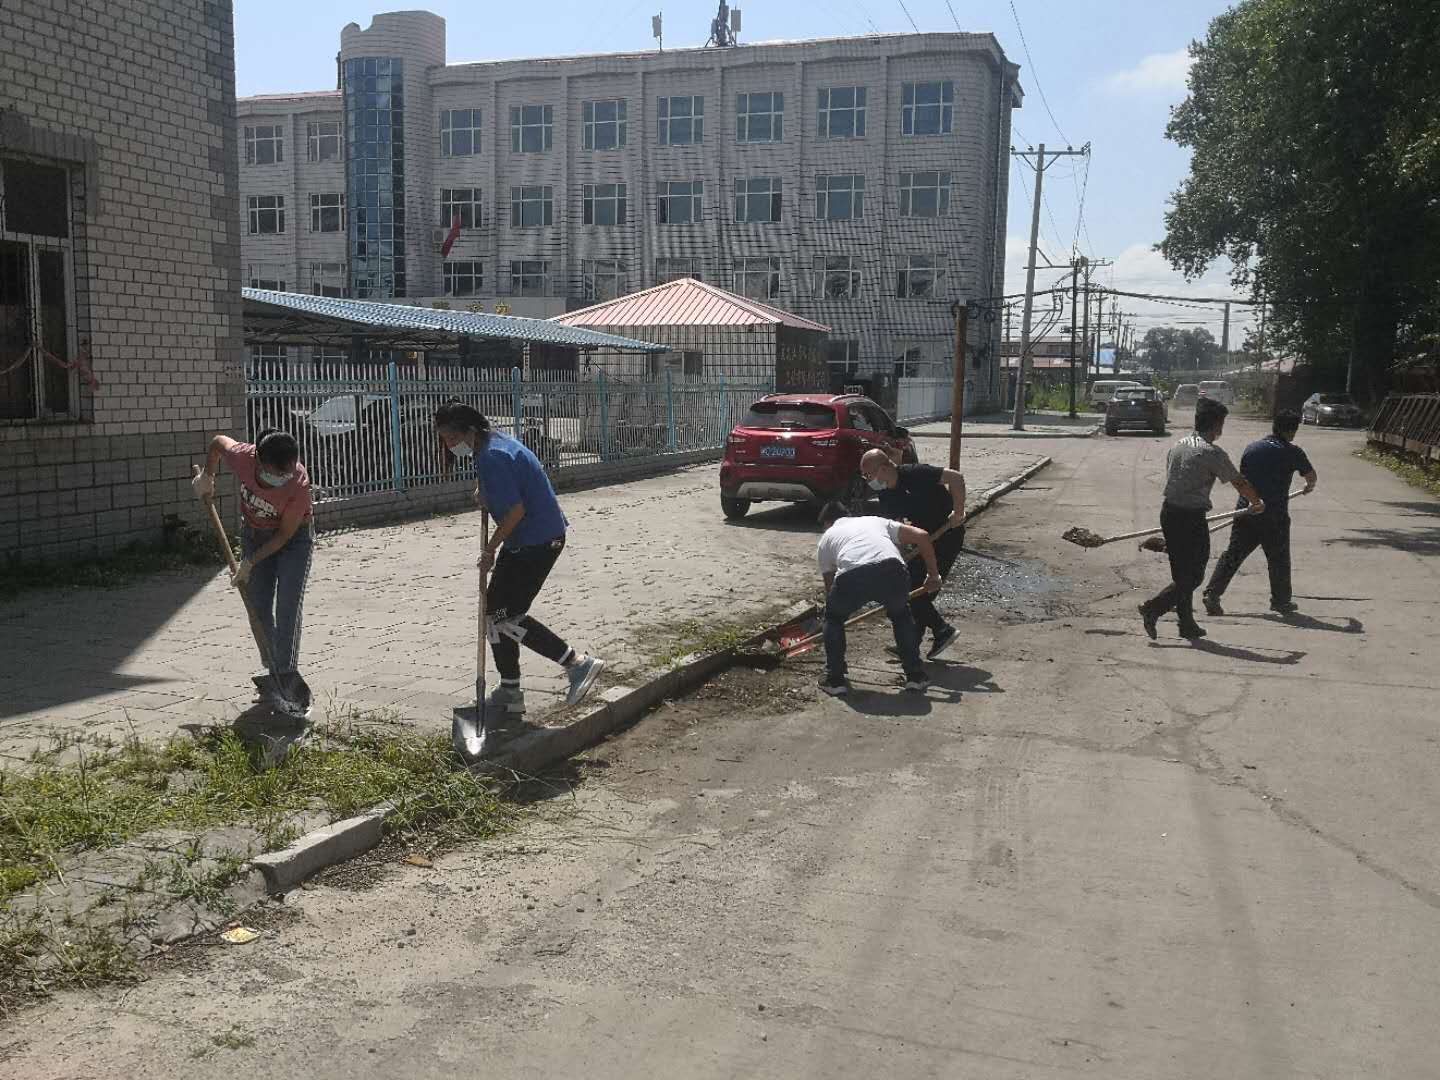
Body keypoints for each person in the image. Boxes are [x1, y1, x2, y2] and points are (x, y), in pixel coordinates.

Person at [434, 401, 604, 720]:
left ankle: (577, 664)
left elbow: (515, 511)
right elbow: (509, 484)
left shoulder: (492, 456)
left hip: (536, 541)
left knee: (506, 615)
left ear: (466, 430)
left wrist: (489, 550)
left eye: (450, 437)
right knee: (494, 614)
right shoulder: (491, 442)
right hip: (529, 539)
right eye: (444, 438)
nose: (448, 444)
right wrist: (483, 491)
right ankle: (510, 691)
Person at [191, 428, 314, 713]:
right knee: (258, 608)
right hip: (255, 535)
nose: (284, 477)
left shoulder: (299, 484)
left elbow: (283, 537)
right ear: (258, 460)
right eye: (277, 473)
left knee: (288, 605)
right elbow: (218, 443)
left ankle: (285, 673)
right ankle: (271, 670)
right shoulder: (243, 457)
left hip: (294, 541)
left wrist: (249, 562)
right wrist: (208, 476)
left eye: (288, 471)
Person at [1139, 397, 1265, 640]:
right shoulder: (1211, 452)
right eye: (1222, 423)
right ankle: (1153, 608)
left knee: (1181, 575)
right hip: (1191, 518)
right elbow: (1239, 483)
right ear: (1216, 424)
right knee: (1194, 576)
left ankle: (1186, 623)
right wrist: (1256, 502)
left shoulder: (1178, 445)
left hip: (1169, 513)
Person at [815, 501, 942, 696]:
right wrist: (933, 575)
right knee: (901, 615)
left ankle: (835, 679)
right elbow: (922, 536)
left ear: (827, 523)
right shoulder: (875, 521)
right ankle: (915, 676)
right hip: (893, 569)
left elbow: (830, 587)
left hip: (852, 575)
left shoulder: (827, 538)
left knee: (833, 618)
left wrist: (836, 613)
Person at [1203, 408, 1318, 616]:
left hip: (1247, 510)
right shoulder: (1293, 452)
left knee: (1234, 554)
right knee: (1278, 559)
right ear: (1292, 431)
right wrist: (1308, 487)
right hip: (1274, 515)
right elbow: (1311, 477)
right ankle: (1281, 601)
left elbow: (1243, 479)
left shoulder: (1252, 448)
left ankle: (1212, 594)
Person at [860, 447, 966, 659]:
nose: (868, 480)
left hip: (947, 535)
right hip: (923, 540)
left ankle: (942, 630)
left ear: (883, 469)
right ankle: (911, 644)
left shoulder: (915, 473)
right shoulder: (886, 495)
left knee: (918, 591)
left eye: (869, 475)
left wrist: (959, 511)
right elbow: (895, 529)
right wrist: (897, 558)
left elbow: (956, 478)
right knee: (909, 588)